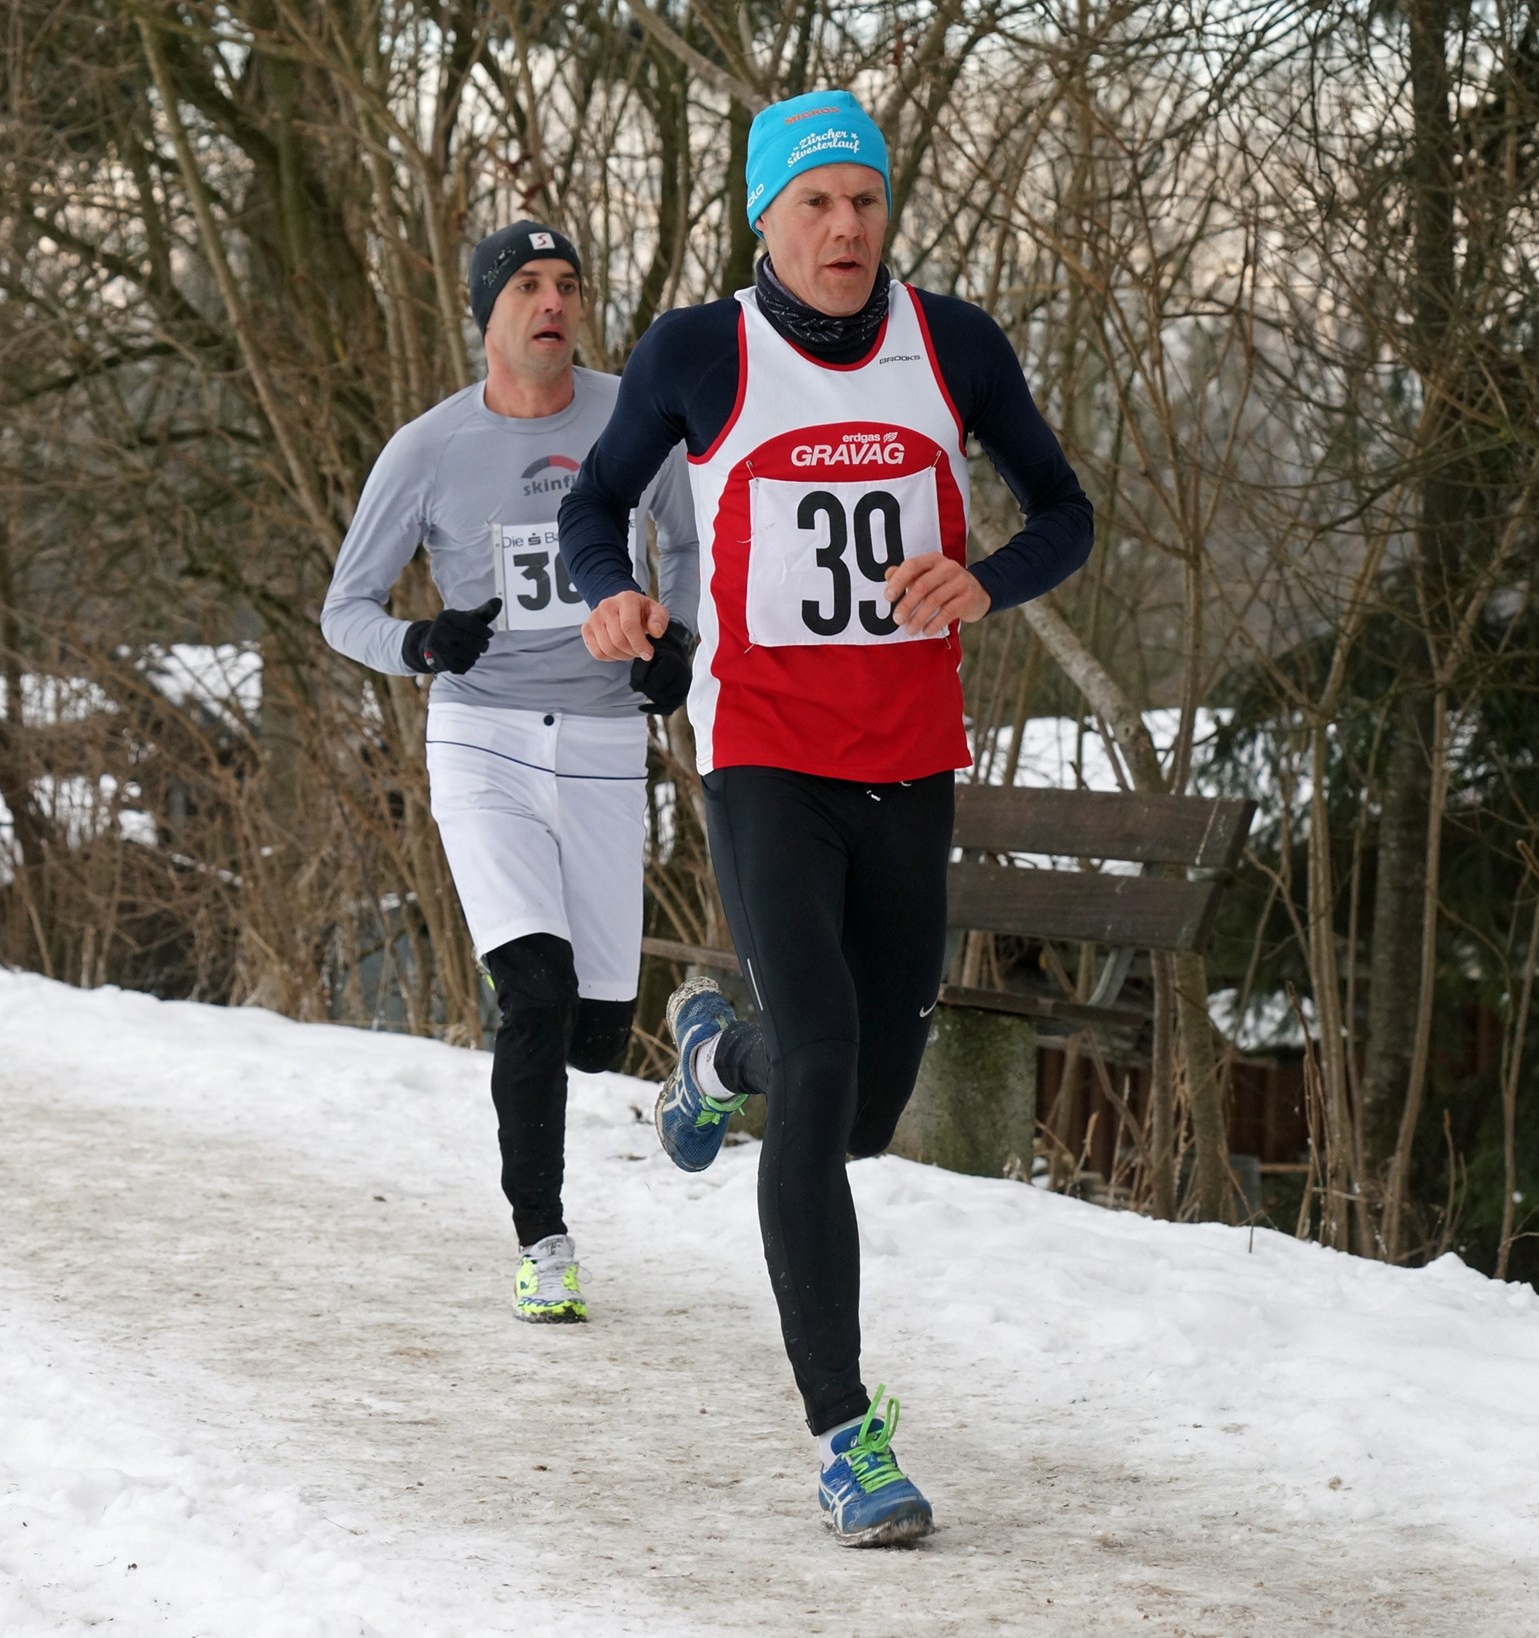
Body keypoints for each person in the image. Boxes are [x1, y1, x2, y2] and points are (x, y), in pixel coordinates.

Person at [558, 91, 1093, 1543]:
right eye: (816, 204)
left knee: (853, 1105)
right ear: (765, 220)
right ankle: (847, 1436)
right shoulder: (697, 354)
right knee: (829, 1046)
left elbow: (1065, 511)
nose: (846, 227)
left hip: (912, 758)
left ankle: (711, 1054)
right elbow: (593, 511)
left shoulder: (954, 345)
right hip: (766, 754)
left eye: (864, 199)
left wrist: (987, 578)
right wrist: (611, 591)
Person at [322, 222, 699, 1323]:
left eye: (567, 286)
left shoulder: (635, 418)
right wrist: (421, 646)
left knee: (595, 1028)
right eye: (527, 285)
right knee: (530, 990)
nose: (551, 302)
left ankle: (682, 1054)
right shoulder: (428, 448)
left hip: (597, 743)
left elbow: (685, 545)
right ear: (485, 311)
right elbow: (345, 606)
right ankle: (543, 1240)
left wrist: (680, 642)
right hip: (479, 736)